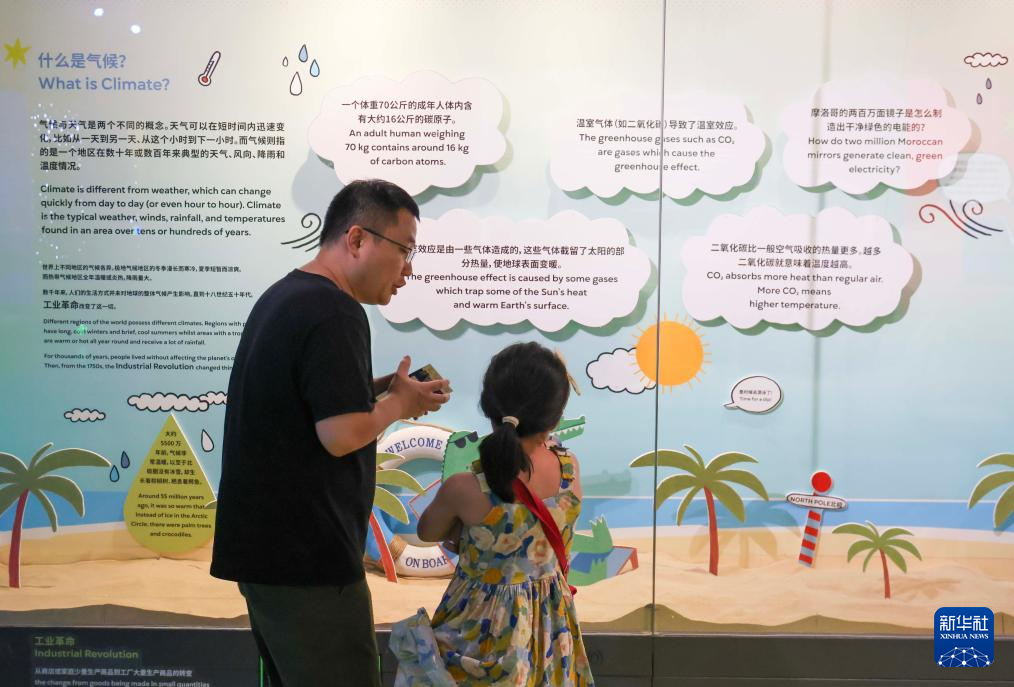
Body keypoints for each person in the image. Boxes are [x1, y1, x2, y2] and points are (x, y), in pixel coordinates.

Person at [210, 179, 451, 687]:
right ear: (358, 238)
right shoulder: (336, 310)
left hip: (271, 559)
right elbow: (340, 435)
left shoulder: (287, 296)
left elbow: (309, 403)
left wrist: (382, 389)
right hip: (308, 564)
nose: (408, 270)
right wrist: (398, 405)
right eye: (404, 250)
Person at [390, 342, 594, 686]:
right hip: (548, 625)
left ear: (489, 405)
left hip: (478, 627)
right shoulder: (568, 470)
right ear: (556, 416)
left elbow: (427, 531)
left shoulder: (464, 487)